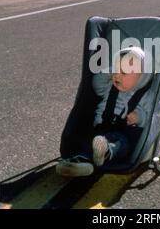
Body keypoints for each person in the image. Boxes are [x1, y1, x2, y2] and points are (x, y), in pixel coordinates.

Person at [56, 46, 153, 177]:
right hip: (100, 128)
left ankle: (106, 151)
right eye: (116, 71)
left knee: (122, 141)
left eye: (123, 73)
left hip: (124, 132)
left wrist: (139, 117)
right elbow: (97, 84)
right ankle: (79, 162)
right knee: (89, 139)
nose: (117, 75)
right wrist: (112, 71)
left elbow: (152, 117)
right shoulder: (110, 86)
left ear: (142, 77)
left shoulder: (146, 95)